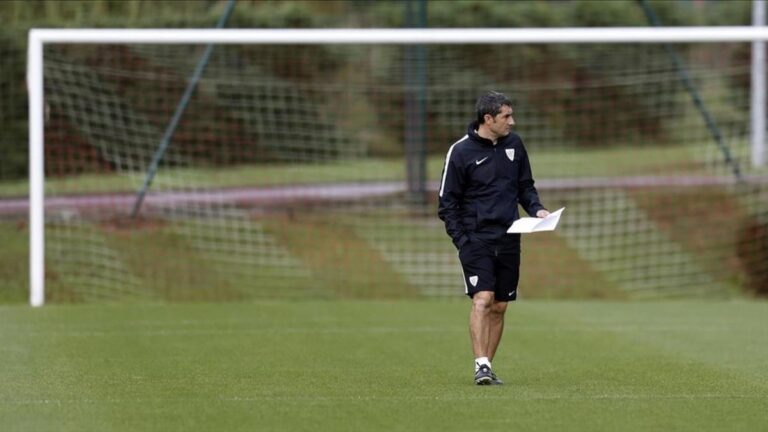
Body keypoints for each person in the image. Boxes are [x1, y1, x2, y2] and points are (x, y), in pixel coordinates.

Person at [438, 91, 549, 385]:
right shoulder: (460, 152)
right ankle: (481, 364)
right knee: (482, 299)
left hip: (510, 236)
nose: (512, 122)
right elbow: (446, 203)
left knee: (500, 305)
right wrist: (462, 240)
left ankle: (486, 368)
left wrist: (537, 210)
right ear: (488, 119)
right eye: (506, 117)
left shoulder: (515, 145)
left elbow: (526, 186)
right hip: (476, 239)